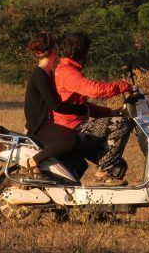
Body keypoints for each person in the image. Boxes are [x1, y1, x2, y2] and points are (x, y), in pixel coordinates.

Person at [54, 32, 135, 186]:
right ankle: (103, 170)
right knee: (122, 124)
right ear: (82, 52)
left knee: (119, 166)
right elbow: (94, 90)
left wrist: (110, 113)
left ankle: (104, 193)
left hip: (76, 127)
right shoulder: (66, 72)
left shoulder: (67, 69)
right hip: (72, 129)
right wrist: (121, 86)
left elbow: (83, 106)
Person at [21, 32, 88, 180]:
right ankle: (33, 161)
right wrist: (80, 109)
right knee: (71, 139)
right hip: (38, 126)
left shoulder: (48, 73)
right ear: (54, 50)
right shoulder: (39, 75)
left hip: (46, 123)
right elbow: (56, 105)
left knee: (80, 162)